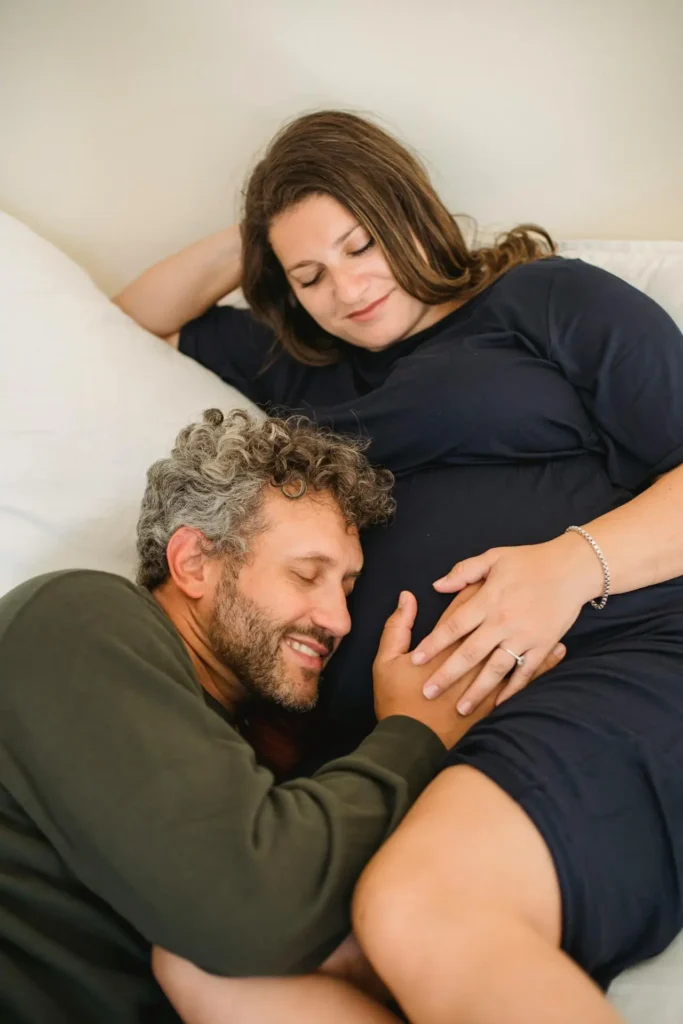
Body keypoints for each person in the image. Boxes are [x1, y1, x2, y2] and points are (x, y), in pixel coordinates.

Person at [115, 109, 683, 1023]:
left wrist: (571, 568)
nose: (344, 286)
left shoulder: (545, 301)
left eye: (360, 241)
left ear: (411, 210)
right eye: (310, 275)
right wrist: (263, 233)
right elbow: (122, 327)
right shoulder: (301, 372)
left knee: (422, 907)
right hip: (404, 741)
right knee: (213, 960)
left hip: (608, 662)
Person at [0, 408, 529, 1024]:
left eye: (348, 589)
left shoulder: (245, 744)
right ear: (194, 562)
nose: (338, 620)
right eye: (306, 574)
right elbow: (256, 910)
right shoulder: (78, 619)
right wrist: (414, 732)